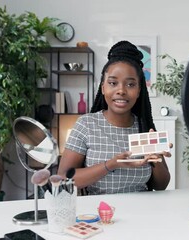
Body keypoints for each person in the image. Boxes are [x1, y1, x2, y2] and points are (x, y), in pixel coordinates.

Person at [58, 41, 171, 194]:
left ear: (139, 91)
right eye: (113, 83)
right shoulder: (86, 124)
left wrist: (155, 157)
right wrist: (111, 164)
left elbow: (161, 185)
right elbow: (64, 179)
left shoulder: (144, 128)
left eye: (130, 85)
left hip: (143, 212)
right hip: (99, 213)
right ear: (103, 87)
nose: (121, 90)